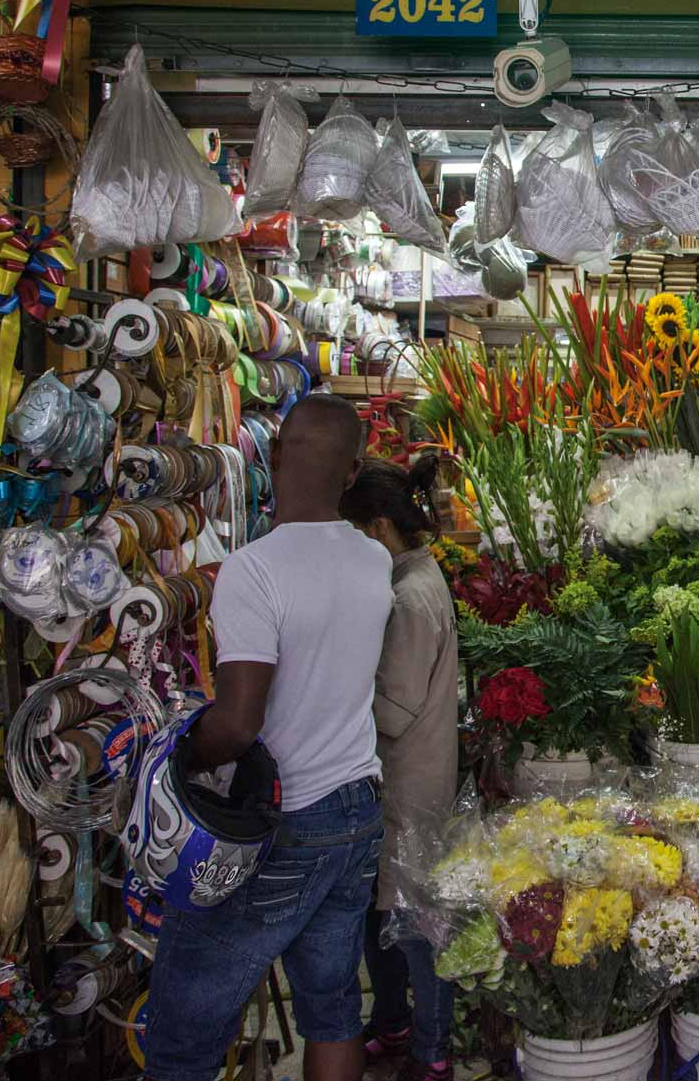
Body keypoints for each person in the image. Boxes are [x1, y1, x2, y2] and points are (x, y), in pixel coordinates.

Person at [145, 394, 396, 1081]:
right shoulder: (374, 561)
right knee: (333, 1008)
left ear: (274, 454)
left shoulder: (253, 570)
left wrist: (178, 762)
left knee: (184, 1025)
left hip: (287, 819)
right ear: (351, 475)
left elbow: (237, 723)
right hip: (356, 809)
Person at [342, 456, 460, 1081]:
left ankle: (431, 1049)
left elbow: (394, 708)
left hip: (410, 779)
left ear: (380, 526)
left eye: (357, 531)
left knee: (413, 921)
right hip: (400, 776)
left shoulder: (412, 597)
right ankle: (392, 1024)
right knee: (382, 913)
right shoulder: (411, 580)